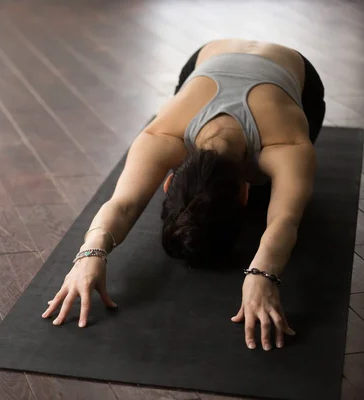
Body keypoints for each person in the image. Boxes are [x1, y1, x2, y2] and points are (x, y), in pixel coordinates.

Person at [41, 39, 326, 352]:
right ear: (168, 181)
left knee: (275, 197)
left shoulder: (288, 144)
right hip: (205, 62)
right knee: (211, 206)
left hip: (297, 73)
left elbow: (285, 220)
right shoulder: (162, 134)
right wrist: (90, 253)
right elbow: (122, 205)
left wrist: (263, 274)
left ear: (245, 192)